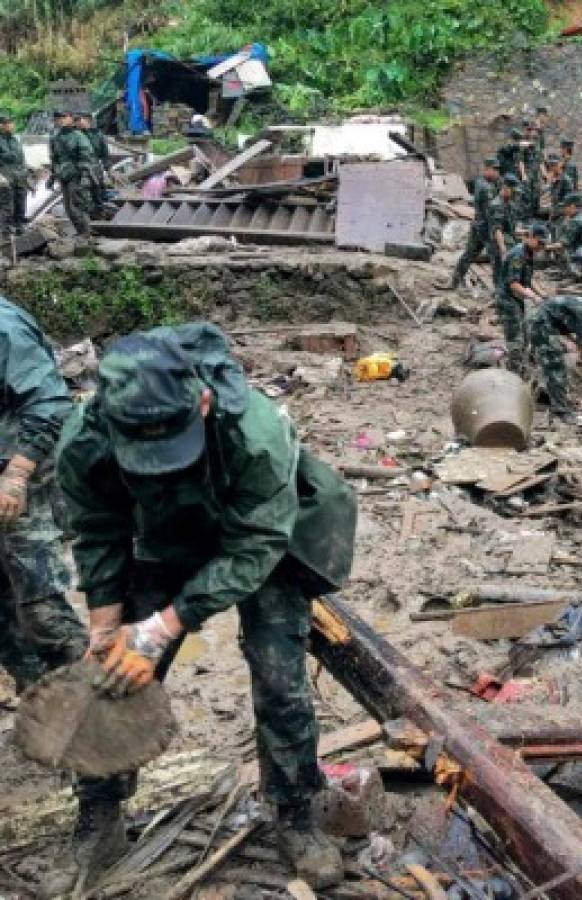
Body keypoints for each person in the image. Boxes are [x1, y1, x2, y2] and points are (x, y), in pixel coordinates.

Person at [49, 324, 356, 895]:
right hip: (162, 534)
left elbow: (257, 545)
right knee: (112, 676)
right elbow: (97, 530)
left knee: (280, 678)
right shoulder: (83, 441)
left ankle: (293, 813)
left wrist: (165, 626)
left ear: (204, 401)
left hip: (256, 537)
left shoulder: (256, 432)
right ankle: (100, 818)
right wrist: (106, 620)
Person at [0, 298, 86, 693]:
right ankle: (40, 699)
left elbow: (50, 404)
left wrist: (16, 474)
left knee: (40, 600)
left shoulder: (5, 330)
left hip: (22, 469)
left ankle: (96, 703)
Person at [527, 294, 582, 420]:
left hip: (542, 323)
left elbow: (566, 324)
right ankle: (560, 410)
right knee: (556, 367)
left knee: (551, 362)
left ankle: (546, 396)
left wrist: (575, 342)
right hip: (541, 326)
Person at [496, 223, 548, 373]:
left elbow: (527, 280)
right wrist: (532, 296)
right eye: (540, 242)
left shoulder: (529, 253)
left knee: (525, 334)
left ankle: (521, 366)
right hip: (507, 299)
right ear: (531, 237)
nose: (541, 247)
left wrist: (542, 293)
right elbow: (514, 284)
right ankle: (513, 373)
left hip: (516, 298)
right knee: (515, 339)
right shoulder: (518, 255)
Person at [451, 157, 499, 289]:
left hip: (477, 224)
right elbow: (492, 210)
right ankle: (498, 289)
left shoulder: (480, 182)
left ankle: (454, 282)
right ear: (487, 169)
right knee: (495, 258)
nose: (497, 173)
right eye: (495, 170)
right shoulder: (486, 187)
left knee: (469, 254)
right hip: (486, 227)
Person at [50, 111, 98, 238]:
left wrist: (84, 176)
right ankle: (80, 231)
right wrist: (52, 176)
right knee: (68, 208)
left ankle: (85, 232)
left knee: (77, 205)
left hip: (76, 174)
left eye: (64, 117)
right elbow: (54, 158)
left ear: (71, 118)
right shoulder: (55, 137)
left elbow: (86, 156)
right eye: (59, 118)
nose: (61, 120)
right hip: (63, 174)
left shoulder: (78, 136)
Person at [487, 174, 521, 286]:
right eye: (513, 191)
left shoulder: (508, 203)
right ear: (505, 188)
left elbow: (509, 226)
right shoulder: (497, 205)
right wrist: (503, 249)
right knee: (500, 272)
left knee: (509, 271)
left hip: (508, 240)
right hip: (500, 243)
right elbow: (497, 230)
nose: (515, 194)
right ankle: (499, 295)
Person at [0, 112, 29, 235]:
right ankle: (5, 231)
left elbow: (21, 158)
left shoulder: (15, 139)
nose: (11, 125)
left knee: (20, 202)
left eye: (11, 123)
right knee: (7, 206)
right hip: (5, 176)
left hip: (19, 176)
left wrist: (26, 174)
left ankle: (19, 227)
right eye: (8, 123)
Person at [77, 113, 109, 215]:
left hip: (95, 166)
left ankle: (99, 212)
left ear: (88, 121)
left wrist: (108, 167)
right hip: (81, 168)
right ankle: (87, 214)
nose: (79, 123)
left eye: (81, 120)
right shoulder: (76, 135)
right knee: (84, 192)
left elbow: (105, 153)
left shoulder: (97, 134)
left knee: (98, 191)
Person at [522, 119, 543, 217]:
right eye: (530, 130)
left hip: (536, 172)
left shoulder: (537, 142)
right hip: (528, 172)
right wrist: (523, 175)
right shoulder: (523, 143)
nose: (533, 132)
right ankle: (527, 216)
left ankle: (536, 214)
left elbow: (540, 159)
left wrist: (544, 173)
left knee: (536, 192)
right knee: (527, 195)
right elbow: (520, 161)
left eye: (535, 130)